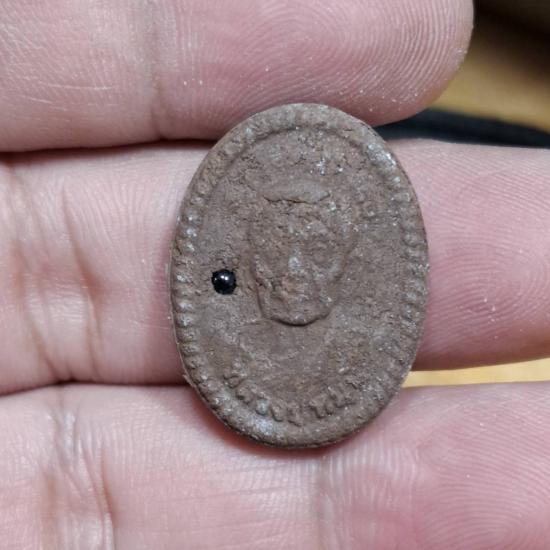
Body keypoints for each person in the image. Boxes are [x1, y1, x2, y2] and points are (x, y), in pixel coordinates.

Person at [0, 1, 549, 548]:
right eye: (273, 249)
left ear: (346, 260)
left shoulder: (356, 348)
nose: (292, 271)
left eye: (317, 250)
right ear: (249, 259)